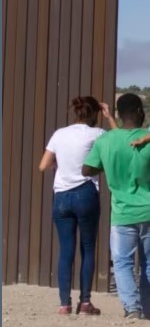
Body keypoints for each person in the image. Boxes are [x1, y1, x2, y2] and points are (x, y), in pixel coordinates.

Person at [81, 94, 150, 320]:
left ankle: (131, 308)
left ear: (119, 113)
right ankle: (148, 310)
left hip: (123, 213)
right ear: (139, 111)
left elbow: (87, 170)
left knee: (123, 262)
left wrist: (109, 163)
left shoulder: (105, 141)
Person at [39, 96, 110, 315]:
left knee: (66, 251)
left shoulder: (59, 134)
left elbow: (43, 165)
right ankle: (85, 302)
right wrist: (110, 117)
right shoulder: (98, 133)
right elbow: (119, 141)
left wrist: (62, 166)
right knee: (87, 248)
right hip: (86, 193)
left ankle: (64, 304)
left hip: (61, 196)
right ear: (95, 114)